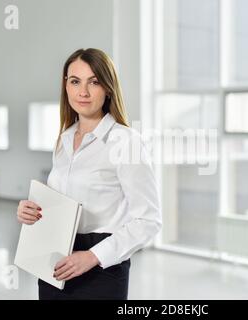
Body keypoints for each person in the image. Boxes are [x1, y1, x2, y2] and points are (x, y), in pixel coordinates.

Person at [16, 48, 162, 300]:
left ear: (107, 89)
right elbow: (64, 200)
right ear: (66, 87)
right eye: (75, 81)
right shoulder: (64, 139)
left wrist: (93, 256)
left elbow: (149, 221)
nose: (82, 92)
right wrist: (31, 211)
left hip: (101, 268)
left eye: (93, 82)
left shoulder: (125, 142)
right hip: (56, 259)